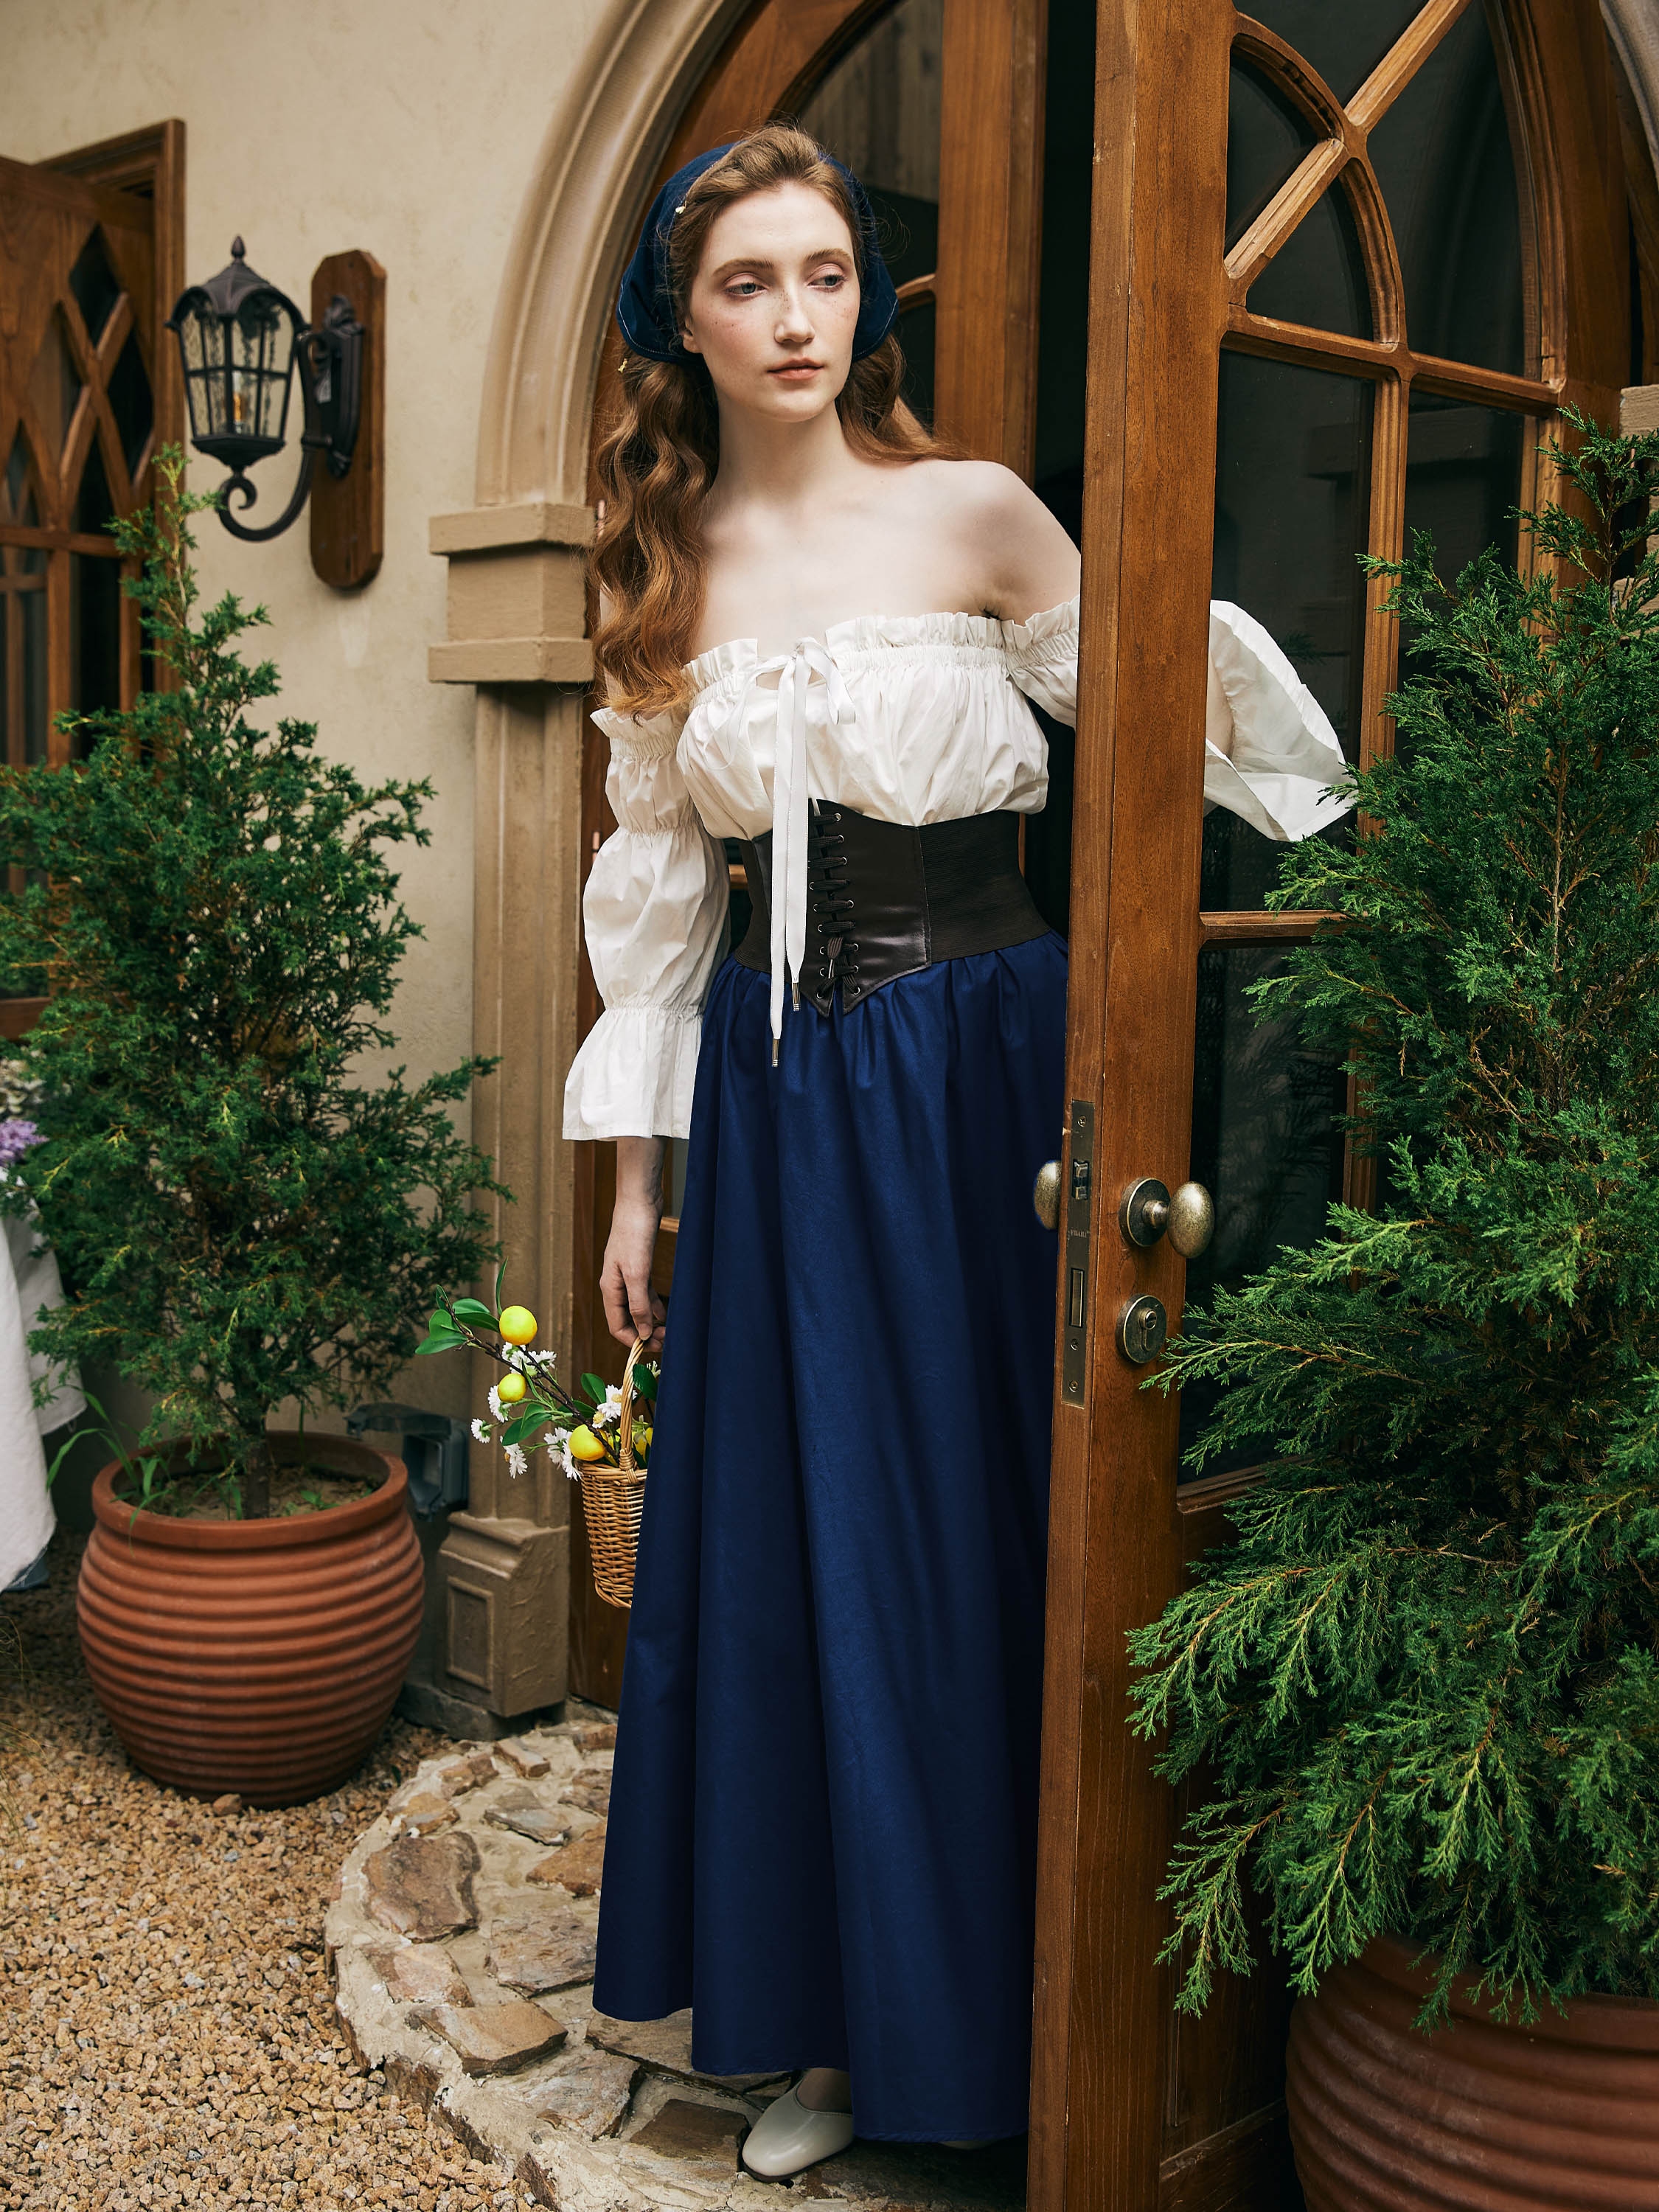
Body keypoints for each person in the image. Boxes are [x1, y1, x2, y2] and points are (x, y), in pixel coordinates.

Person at [562, 124, 1351, 2179]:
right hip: (778, 1100)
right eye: (748, 283)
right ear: (683, 323)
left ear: (868, 300)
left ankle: (1048, 2023)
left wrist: (1377, 855)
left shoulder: (979, 514)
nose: (795, 317)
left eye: (826, 274)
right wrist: (639, 1184)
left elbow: (1171, 710)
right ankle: (843, 2036)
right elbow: (660, 892)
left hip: (987, 1070)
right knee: (812, 1535)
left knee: (991, 1520)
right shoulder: (664, 574)